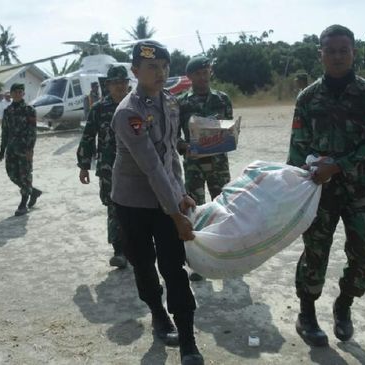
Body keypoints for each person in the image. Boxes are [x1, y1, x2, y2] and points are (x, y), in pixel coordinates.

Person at [287, 24, 365, 347]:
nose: (337, 56)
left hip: (359, 189)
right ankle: (307, 314)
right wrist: (299, 180)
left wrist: (338, 166)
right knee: (315, 255)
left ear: (353, 52)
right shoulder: (307, 97)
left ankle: (343, 305)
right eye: (330, 51)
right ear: (321, 54)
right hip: (318, 191)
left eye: (343, 50)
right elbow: (297, 147)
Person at [111, 40, 203, 365]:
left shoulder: (171, 103)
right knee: (145, 265)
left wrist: (182, 192)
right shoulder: (128, 112)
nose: (160, 72)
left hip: (164, 199)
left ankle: (189, 339)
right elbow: (150, 164)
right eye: (151, 67)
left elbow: (169, 157)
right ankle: (158, 314)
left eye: (164, 66)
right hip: (133, 203)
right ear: (135, 71)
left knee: (174, 267)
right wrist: (176, 214)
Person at [176, 55, 234, 282]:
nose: (203, 76)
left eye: (206, 71)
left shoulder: (222, 98)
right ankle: (199, 261)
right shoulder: (181, 102)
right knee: (196, 209)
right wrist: (183, 146)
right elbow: (174, 136)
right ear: (189, 77)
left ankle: (225, 254)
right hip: (193, 165)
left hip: (218, 163)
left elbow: (228, 128)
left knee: (222, 206)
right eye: (198, 73)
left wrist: (228, 136)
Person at [77, 66, 130, 269]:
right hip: (109, 168)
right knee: (113, 208)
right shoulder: (99, 108)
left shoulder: (137, 104)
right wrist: (84, 166)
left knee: (138, 208)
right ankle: (119, 250)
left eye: (122, 82)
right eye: (115, 83)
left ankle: (136, 248)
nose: (119, 86)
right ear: (108, 85)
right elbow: (88, 137)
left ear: (128, 83)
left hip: (137, 168)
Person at [0, 83, 42, 216]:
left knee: (25, 175)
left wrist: (30, 149)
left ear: (23, 94)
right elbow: (4, 132)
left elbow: (33, 132)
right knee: (12, 174)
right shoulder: (7, 111)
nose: (17, 94)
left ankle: (23, 203)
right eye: (15, 92)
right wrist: (2, 149)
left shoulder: (29, 110)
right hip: (11, 148)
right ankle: (32, 191)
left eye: (20, 92)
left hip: (24, 148)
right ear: (10, 94)